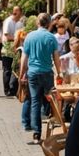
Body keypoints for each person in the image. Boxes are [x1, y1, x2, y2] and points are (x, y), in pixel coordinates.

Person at [21, 12, 59, 142]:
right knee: (52, 100)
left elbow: (24, 57)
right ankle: (54, 128)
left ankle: (37, 133)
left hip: (33, 73)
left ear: (38, 23)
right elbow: (56, 57)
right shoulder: (51, 38)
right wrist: (59, 72)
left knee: (35, 102)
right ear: (49, 24)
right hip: (47, 72)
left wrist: (22, 74)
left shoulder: (30, 37)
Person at [1, 6, 24, 96]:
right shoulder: (8, 21)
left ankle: (13, 89)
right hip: (7, 49)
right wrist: (16, 39)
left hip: (17, 49)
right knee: (7, 70)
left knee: (15, 69)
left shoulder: (20, 23)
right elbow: (6, 35)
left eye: (17, 11)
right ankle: (7, 90)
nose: (16, 13)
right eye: (15, 11)